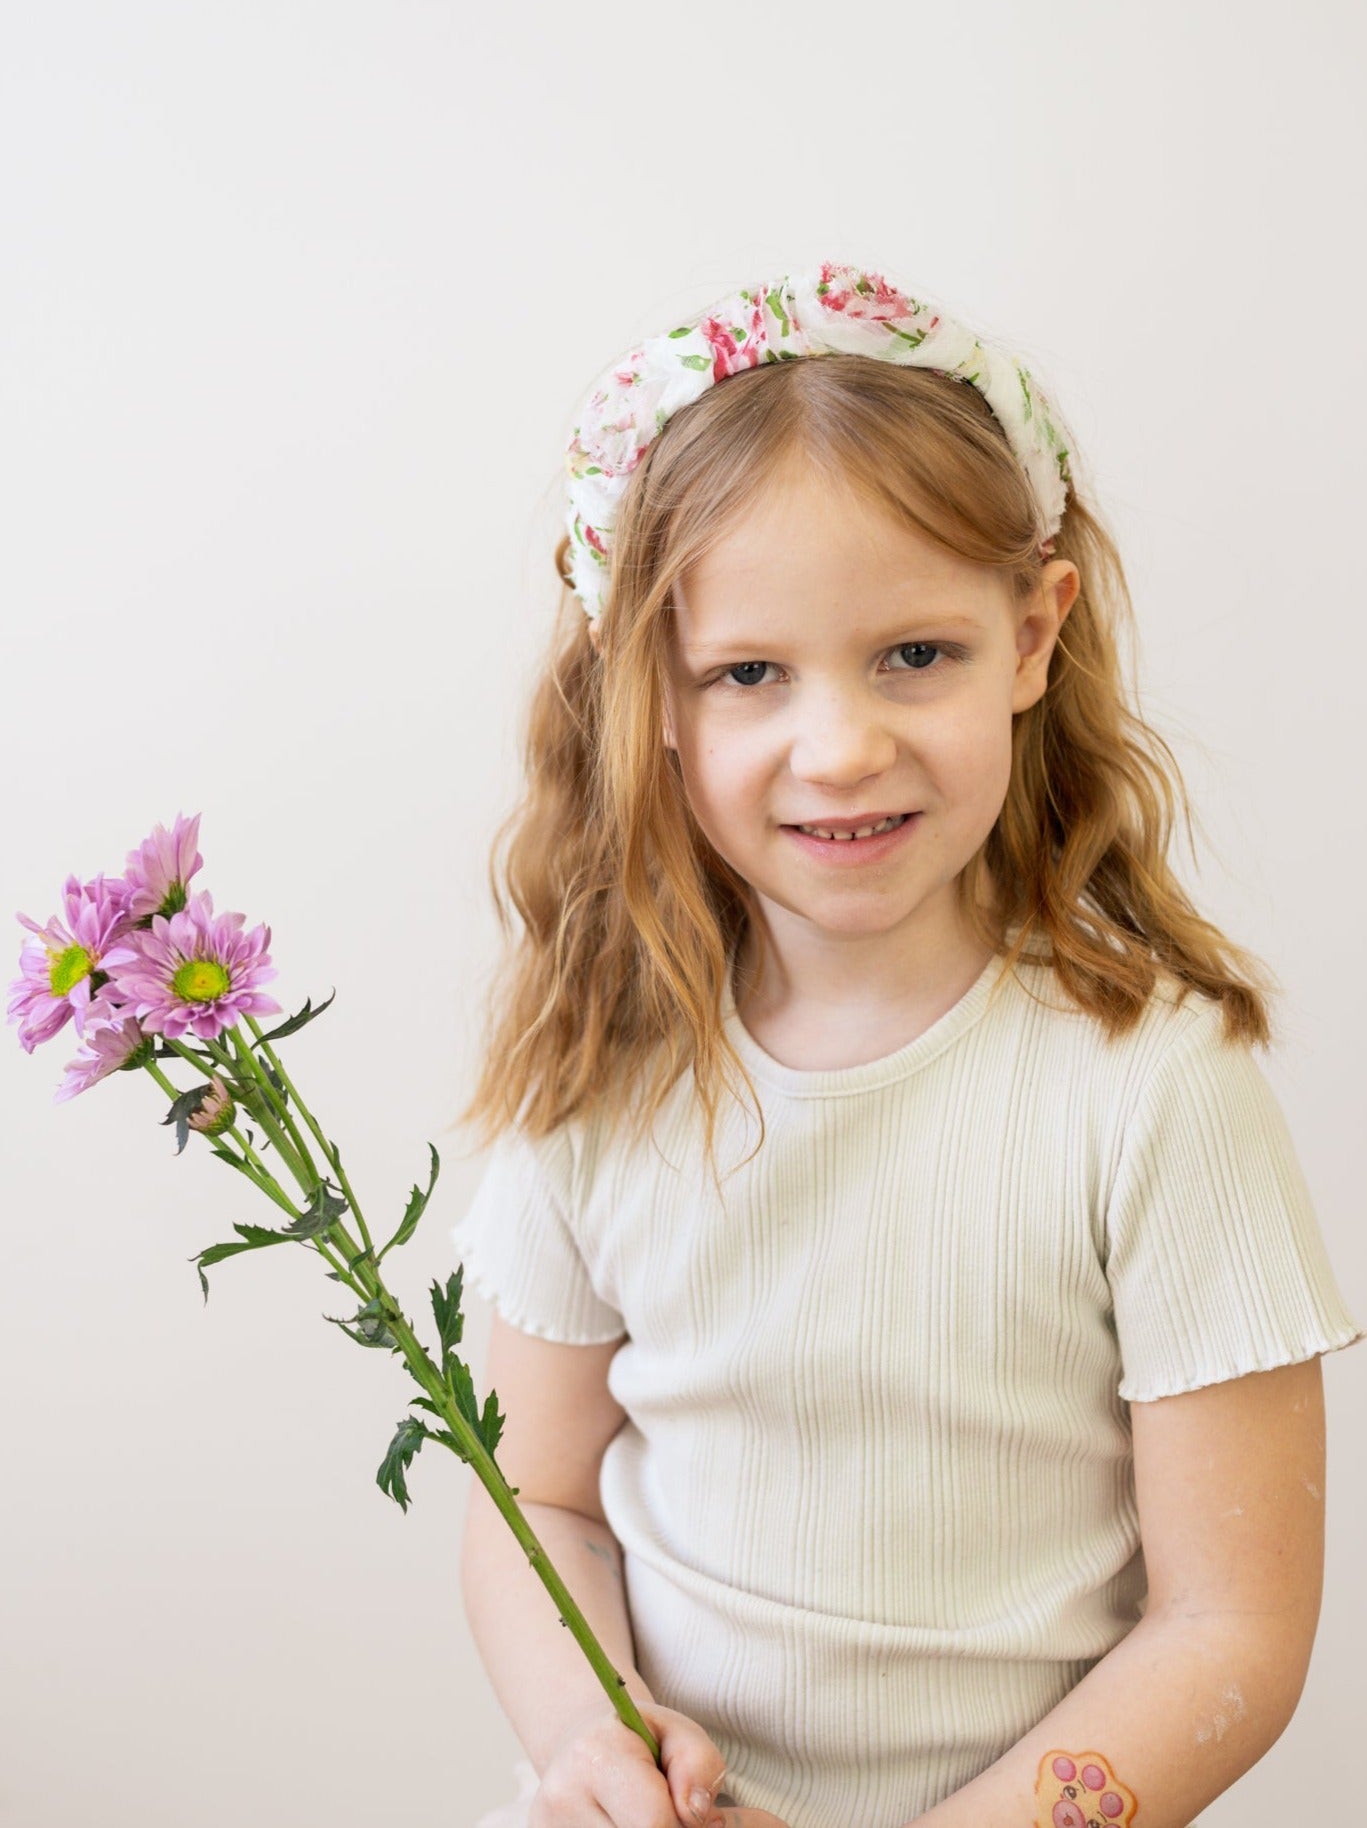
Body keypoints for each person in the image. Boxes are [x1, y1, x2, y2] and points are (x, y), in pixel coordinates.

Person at [448, 262, 1364, 1828]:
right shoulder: (601, 1078)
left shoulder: (1153, 1091)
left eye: (914, 656)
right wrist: (590, 1743)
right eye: (750, 673)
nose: (842, 745)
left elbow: (1233, 1631)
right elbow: (537, 1500)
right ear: (649, 692)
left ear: (1032, 634)